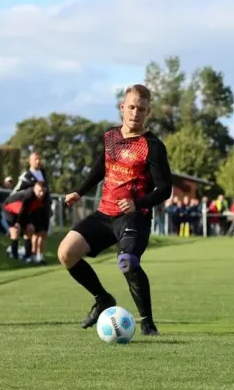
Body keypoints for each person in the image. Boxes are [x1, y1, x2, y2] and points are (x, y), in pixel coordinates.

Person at [58, 84, 172, 335]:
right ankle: (103, 299)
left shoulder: (153, 146)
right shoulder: (110, 136)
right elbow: (102, 166)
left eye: (141, 109)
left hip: (134, 217)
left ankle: (148, 323)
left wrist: (137, 203)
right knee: (66, 253)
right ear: (122, 107)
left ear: (148, 112)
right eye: (131, 107)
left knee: (127, 261)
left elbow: (165, 190)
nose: (135, 113)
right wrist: (79, 191)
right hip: (104, 214)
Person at [12, 151, 51, 264]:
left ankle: (40, 256)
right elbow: (16, 192)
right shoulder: (26, 176)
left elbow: (47, 191)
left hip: (44, 209)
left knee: (43, 233)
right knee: (33, 232)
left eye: (39, 159)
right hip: (32, 210)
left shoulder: (44, 174)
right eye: (35, 159)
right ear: (30, 161)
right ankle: (31, 255)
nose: (38, 162)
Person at [2, 181, 46, 262]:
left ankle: (27, 256)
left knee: (29, 230)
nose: (41, 193)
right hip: (10, 209)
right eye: (39, 191)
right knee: (15, 232)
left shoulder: (42, 198)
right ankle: (14, 256)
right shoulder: (29, 195)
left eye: (43, 191)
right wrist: (18, 223)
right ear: (35, 189)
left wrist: (31, 223)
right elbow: (23, 210)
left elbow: (33, 211)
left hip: (22, 212)